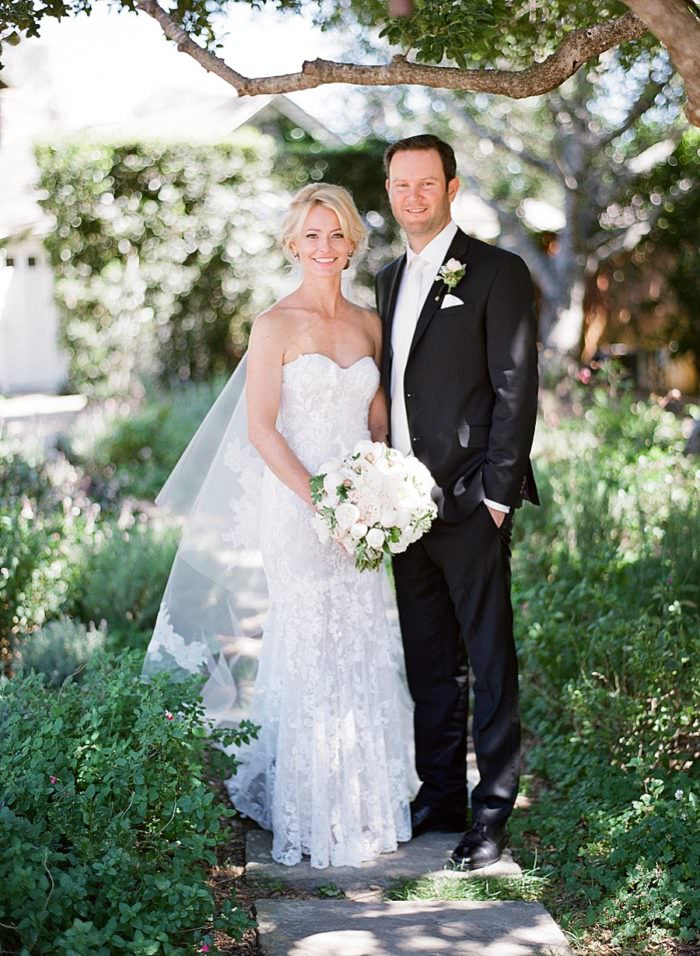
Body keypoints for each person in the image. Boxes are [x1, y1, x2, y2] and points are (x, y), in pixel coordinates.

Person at [144, 183, 417, 870]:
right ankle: (310, 806)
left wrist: (382, 496)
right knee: (309, 636)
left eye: (336, 235)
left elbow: (376, 422)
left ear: (352, 242)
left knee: (361, 633)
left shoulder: (369, 325)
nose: (325, 248)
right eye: (311, 236)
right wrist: (322, 502)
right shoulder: (273, 325)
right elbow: (262, 430)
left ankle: (364, 799)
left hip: (361, 511)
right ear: (293, 244)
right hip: (298, 507)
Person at [375, 134, 539, 870]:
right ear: (390, 191)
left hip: (473, 502)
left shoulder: (498, 271)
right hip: (401, 507)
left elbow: (515, 388)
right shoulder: (384, 279)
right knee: (430, 661)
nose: (412, 196)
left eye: (425, 184)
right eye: (400, 185)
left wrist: (498, 495)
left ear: (452, 186)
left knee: (489, 661)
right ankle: (439, 795)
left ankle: (491, 815)